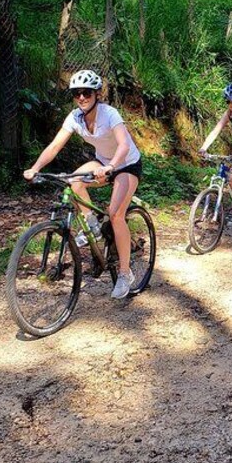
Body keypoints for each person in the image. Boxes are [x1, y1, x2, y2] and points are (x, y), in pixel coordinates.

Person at [23, 70, 142, 299]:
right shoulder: (75, 118)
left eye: (86, 93)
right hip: (103, 162)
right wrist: (36, 167)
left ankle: (126, 273)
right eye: (76, 94)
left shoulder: (109, 114)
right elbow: (55, 146)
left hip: (126, 164)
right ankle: (92, 227)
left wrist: (111, 167)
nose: (81, 98)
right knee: (73, 180)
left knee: (116, 214)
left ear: (97, 93)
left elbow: (124, 145)